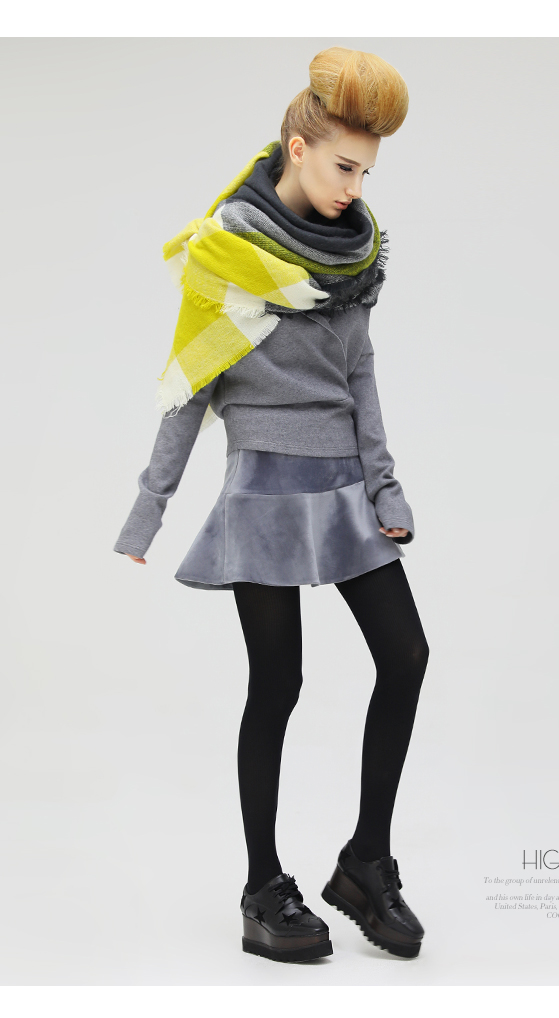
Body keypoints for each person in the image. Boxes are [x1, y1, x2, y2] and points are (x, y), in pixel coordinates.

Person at [114, 46, 429, 963]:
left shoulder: (353, 258)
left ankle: (365, 862)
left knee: (407, 656)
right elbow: (188, 391)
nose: (355, 189)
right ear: (297, 149)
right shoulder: (225, 258)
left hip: (345, 492)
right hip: (262, 496)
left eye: (366, 174)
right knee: (278, 685)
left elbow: (361, 379)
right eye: (343, 167)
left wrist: (385, 485)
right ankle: (262, 888)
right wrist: (148, 510)